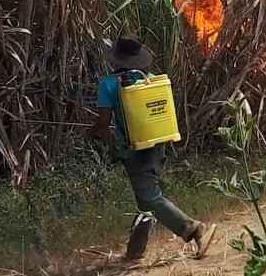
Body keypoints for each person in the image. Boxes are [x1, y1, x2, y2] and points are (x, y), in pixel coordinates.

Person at [89, 33, 216, 261]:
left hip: (133, 149)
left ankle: (193, 228)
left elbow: (103, 123)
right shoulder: (151, 79)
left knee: (150, 197)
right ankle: (135, 251)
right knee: (144, 200)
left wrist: (92, 132)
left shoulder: (108, 84)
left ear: (117, 59)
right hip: (157, 144)